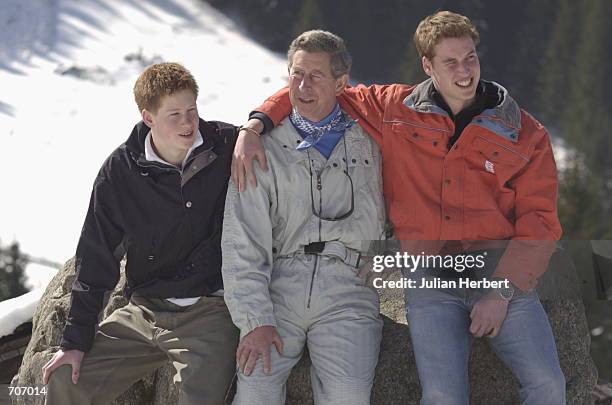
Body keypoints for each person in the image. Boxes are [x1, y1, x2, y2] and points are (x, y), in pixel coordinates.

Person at [234, 11, 566, 405]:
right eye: (450, 62)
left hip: (498, 272)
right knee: (443, 394)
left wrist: (500, 293)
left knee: (548, 384)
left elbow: (540, 223)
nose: (465, 71)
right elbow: (315, 90)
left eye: (470, 57)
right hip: (429, 279)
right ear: (428, 66)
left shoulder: (524, 133)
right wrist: (254, 126)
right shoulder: (395, 110)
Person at [42, 62, 239, 405]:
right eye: (174, 114)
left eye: (192, 110)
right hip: (143, 312)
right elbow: (96, 256)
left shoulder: (226, 145)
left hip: (209, 311)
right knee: (66, 378)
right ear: (148, 118)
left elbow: (285, 118)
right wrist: (74, 343)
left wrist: (255, 126)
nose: (188, 122)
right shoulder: (120, 171)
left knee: (203, 397)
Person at [221, 30, 385, 405]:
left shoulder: (372, 143)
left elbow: (408, 204)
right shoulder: (260, 149)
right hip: (279, 287)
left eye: (315, 76)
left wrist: (385, 258)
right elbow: (241, 241)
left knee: (349, 396)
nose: (302, 86)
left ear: (341, 83)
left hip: (348, 290)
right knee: (256, 390)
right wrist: (255, 320)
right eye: (295, 74)